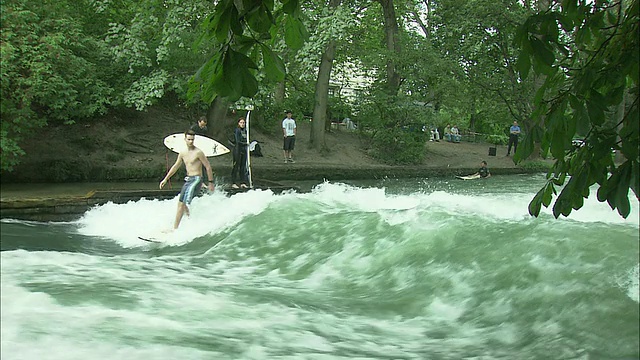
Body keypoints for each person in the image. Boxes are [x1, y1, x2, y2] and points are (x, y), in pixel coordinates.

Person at [160, 130, 215, 229]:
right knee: (183, 204)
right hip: (189, 180)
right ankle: (190, 222)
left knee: (181, 204)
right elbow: (175, 166)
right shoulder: (182, 153)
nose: (190, 142)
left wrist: (210, 183)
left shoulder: (198, 152)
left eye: (192, 140)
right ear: (185, 139)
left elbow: (208, 166)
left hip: (196, 180)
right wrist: (165, 179)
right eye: (189, 139)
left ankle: (174, 229)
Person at [231, 117, 249, 189]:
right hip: (237, 150)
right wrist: (245, 144)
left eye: (243, 123)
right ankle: (233, 182)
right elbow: (237, 141)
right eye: (241, 123)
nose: (242, 124)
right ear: (238, 123)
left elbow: (246, 138)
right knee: (236, 166)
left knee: (243, 166)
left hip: (244, 151)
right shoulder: (237, 130)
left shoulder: (245, 131)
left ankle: (243, 182)